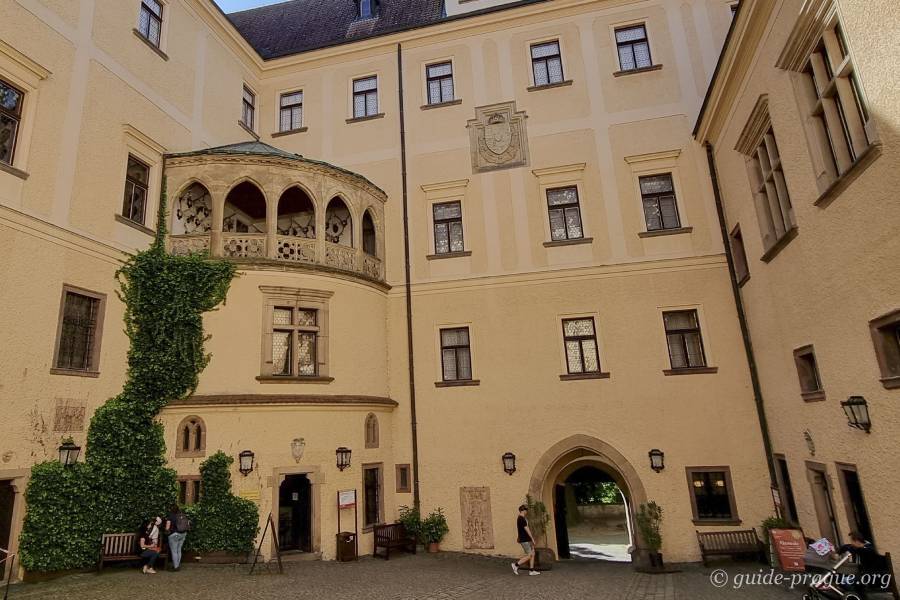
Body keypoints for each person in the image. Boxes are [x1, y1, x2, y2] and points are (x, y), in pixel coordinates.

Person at [511, 504, 540, 576]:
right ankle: (516, 565)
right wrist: (532, 539)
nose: (527, 511)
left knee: (533, 553)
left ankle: (531, 571)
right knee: (530, 555)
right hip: (525, 540)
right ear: (523, 510)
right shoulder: (521, 519)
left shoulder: (522, 518)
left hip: (526, 539)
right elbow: (527, 529)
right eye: (526, 510)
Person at [166, 504, 191, 571]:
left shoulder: (170, 516)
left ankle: (176, 567)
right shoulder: (182, 515)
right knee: (179, 550)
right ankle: (177, 565)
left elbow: (167, 527)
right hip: (183, 534)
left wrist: (167, 531)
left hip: (174, 534)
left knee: (174, 551)